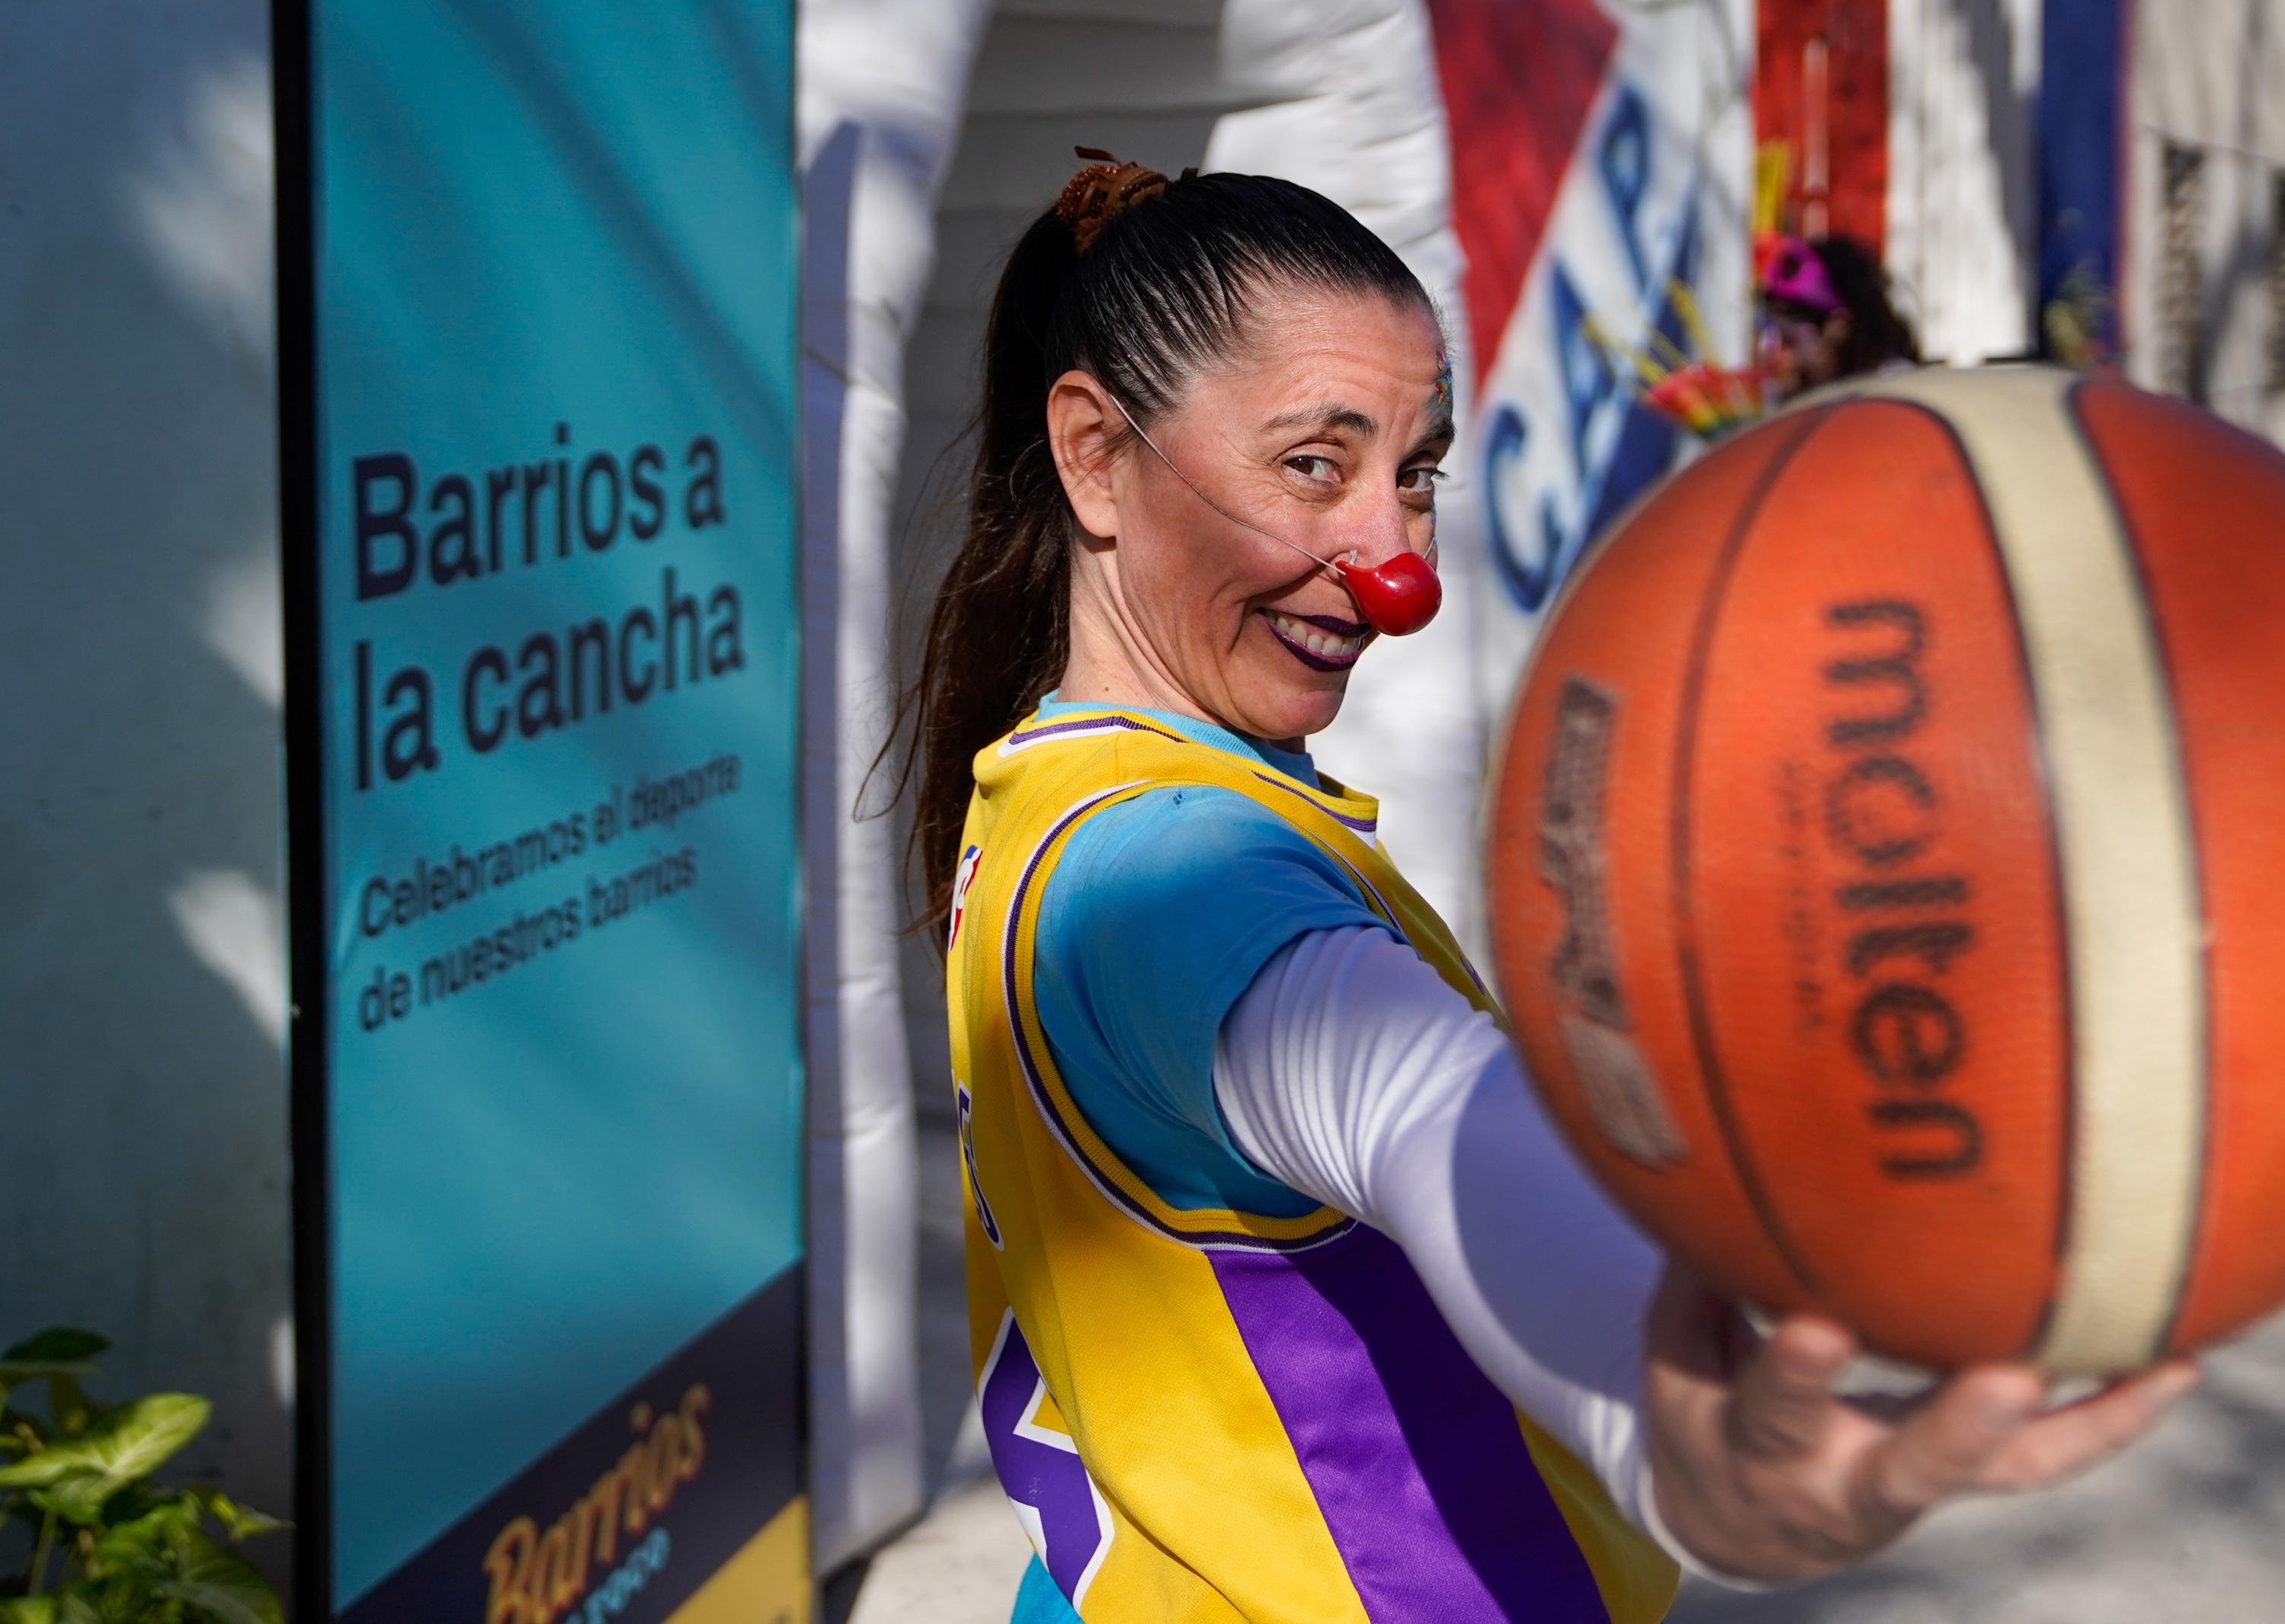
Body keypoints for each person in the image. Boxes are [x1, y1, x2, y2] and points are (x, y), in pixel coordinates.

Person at [902, 156, 2193, 1622]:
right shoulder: (1162, 868)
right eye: (1313, 465)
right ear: (1094, 457)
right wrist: (1681, 1420)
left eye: (1417, 471)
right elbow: (1416, 1108)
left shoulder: (1043, 785)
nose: (1397, 566)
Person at [1753, 231, 1920, 399]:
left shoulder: (1893, 396)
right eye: (1767, 333)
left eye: (1790, 341)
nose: (1772, 353)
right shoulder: (1819, 396)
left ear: (1839, 327)